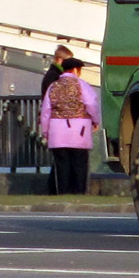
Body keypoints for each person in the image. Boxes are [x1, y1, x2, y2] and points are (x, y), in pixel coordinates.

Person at [40, 58, 101, 196]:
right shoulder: (82, 85)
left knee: (62, 167)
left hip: (57, 132)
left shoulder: (53, 86)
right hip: (79, 131)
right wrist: (95, 120)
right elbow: (91, 103)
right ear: (75, 70)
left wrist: (45, 132)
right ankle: (79, 193)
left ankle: (62, 193)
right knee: (79, 166)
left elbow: (45, 111)